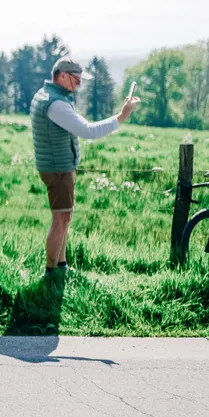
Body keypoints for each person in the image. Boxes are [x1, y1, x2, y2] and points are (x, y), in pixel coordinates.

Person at [31, 57, 140, 275]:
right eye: (76, 79)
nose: (79, 84)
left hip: (57, 166)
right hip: (59, 169)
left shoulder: (47, 96)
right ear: (62, 76)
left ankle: (61, 266)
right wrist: (122, 116)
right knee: (60, 220)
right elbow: (89, 131)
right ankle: (51, 273)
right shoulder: (56, 104)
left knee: (64, 217)